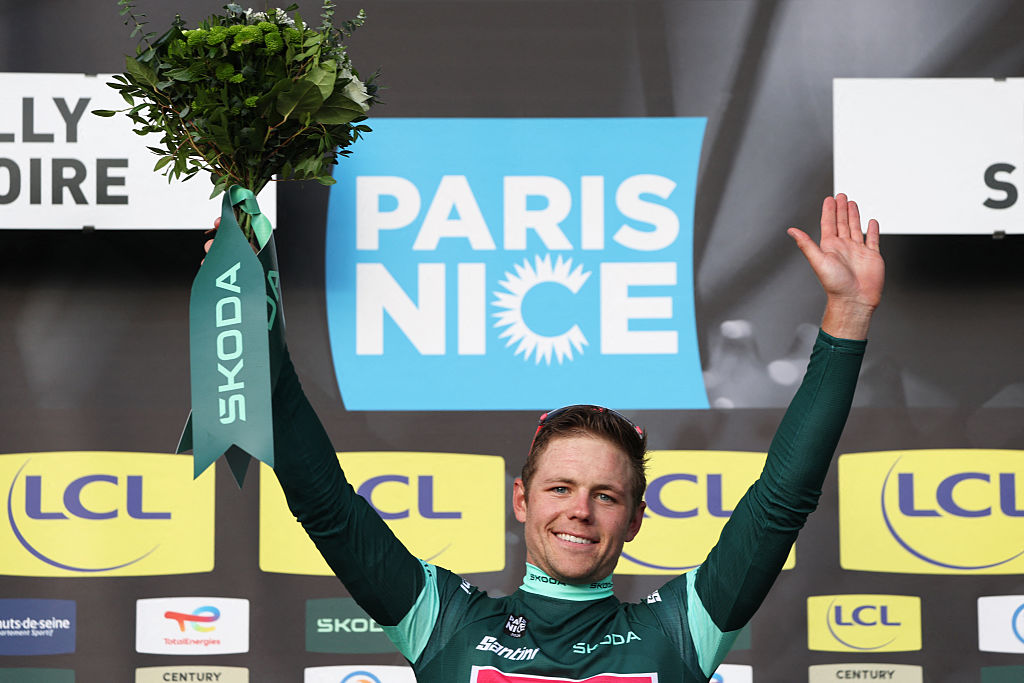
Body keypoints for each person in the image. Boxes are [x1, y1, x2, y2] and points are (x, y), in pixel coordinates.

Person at [214, 193, 883, 682]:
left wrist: (847, 316)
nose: (580, 510)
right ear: (521, 500)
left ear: (636, 516)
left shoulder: (679, 628)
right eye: (559, 487)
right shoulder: (446, 621)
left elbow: (781, 499)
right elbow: (326, 503)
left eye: (605, 494)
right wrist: (253, 325)